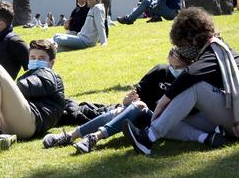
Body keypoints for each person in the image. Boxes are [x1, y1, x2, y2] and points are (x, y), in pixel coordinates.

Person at [43, 45, 224, 153]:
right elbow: (137, 93)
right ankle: (72, 136)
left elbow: (187, 112)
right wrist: (127, 100)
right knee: (121, 110)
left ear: (189, 65)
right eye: (170, 64)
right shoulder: (160, 71)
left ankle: (93, 137)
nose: (172, 69)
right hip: (143, 115)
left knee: (134, 109)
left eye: (177, 67)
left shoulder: (192, 81)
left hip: (165, 121)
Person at [123, 8, 239, 155]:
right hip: (227, 114)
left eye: (183, 45)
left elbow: (190, 75)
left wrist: (163, 102)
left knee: (195, 87)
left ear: (194, 39)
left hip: (235, 115)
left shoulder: (214, 51)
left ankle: (148, 137)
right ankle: (211, 135)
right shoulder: (213, 49)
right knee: (171, 116)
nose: (182, 50)